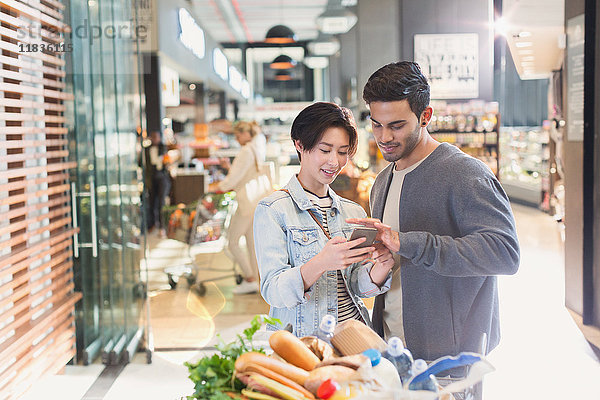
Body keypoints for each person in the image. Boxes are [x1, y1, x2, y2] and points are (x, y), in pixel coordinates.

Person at [347, 61, 520, 361]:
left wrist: (411, 243)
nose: (384, 137)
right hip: (390, 350)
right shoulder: (382, 181)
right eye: (377, 124)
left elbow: (505, 253)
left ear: (425, 116)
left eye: (396, 125)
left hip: (450, 361)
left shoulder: (464, 173)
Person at [253, 102, 395, 336]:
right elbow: (273, 291)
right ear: (300, 144)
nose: (334, 162)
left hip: (355, 338)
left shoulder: (353, 212)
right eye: (325, 150)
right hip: (305, 342)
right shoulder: (273, 209)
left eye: (342, 152)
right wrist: (321, 263)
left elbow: (356, 286)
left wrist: (380, 267)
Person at [210, 121, 267, 295]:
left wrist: (218, 187)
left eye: (237, 135)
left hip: (246, 202)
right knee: (251, 244)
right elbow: (244, 173)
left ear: (246, 134)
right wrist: (229, 169)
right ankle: (257, 281)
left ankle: (249, 278)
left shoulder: (246, 151)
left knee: (232, 242)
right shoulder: (257, 147)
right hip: (256, 200)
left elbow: (234, 179)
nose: (236, 139)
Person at [146, 131, 171, 237]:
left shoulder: (164, 148)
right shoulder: (146, 150)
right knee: (152, 203)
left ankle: (162, 227)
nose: (155, 139)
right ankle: (152, 224)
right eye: (153, 137)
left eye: (157, 137)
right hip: (151, 178)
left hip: (162, 177)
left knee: (161, 202)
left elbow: (167, 162)